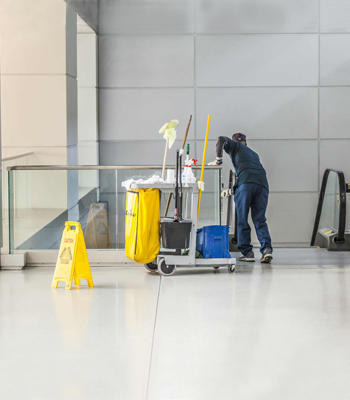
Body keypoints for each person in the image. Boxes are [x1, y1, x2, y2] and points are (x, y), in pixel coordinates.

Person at [209, 133, 273, 263]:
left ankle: (247, 252)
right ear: (246, 143)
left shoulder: (235, 146)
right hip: (262, 185)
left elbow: (221, 139)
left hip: (246, 184)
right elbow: (248, 174)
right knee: (260, 220)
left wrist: (218, 159)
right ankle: (266, 250)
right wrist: (232, 190)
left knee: (242, 219)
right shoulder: (253, 154)